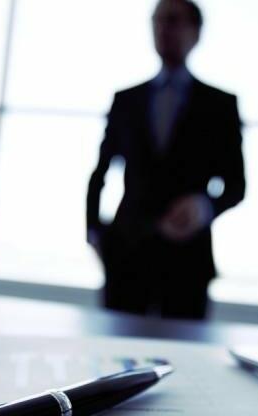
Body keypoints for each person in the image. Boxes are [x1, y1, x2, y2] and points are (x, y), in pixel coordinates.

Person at [86, 0, 246, 320]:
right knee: (117, 343)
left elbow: (236, 185)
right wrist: (94, 232)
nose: (162, 29)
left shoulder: (220, 106)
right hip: (127, 251)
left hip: (188, 258)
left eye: (172, 21)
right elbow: (100, 172)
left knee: (184, 347)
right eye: (156, 21)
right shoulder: (126, 100)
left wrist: (202, 208)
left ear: (196, 32)